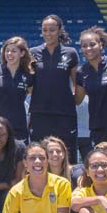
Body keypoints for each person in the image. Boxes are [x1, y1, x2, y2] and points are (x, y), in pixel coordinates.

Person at [0, 142, 77, 213]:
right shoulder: (16, 190)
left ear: (47, 161)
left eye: (42, 158)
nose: (37, 162)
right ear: (25, 163)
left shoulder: (62, 184)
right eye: (32, 158)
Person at [29, 15, 81, 163]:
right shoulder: (33, 53)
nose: (48, 33)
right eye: (44, 30)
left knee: (67, 156)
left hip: (64, 114)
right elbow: (30, 83)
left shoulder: (70, 53)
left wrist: (73, 99)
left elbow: (76, 81)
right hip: (40, 113)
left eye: (52, 30)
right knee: (39, 155)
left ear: (59, 31)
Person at [0, 36, 35, 144]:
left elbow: (34, 97)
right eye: (7, 51)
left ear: (22, 53)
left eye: (14, 51)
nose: (9, 54)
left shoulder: (28, 74)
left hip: (19, 126)